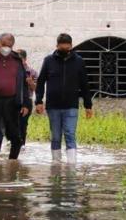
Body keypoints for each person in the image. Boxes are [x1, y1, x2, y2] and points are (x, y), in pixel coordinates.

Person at [35, 33, 93, 164]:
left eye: (68, 49)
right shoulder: (48, 60)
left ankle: (72, 165)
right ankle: (56, 164)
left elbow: (85, 84)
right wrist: (38, 101)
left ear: (71, 46)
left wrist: (88, 105)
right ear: (57, 46)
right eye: (62, 49)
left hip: (71, 105)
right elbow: (40, 81)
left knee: (70, 134)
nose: (65, 51)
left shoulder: (79, 61)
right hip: (53, 106)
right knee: (55, 136)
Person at [17, 49, 38, 147]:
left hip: (27, 100)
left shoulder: (32, 72)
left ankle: (22, 145)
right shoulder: (11, 71)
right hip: (12, 100)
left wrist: (30, 83)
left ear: (25, 59)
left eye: (20, 59)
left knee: (23, 124)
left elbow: (37, 88)